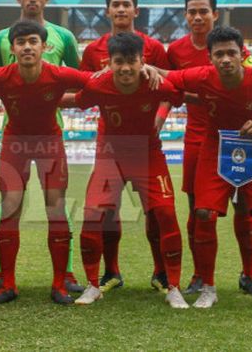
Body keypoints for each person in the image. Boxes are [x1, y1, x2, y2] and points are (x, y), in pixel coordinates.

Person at [153, 26, 252, 311]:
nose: (226, 59)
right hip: (214, 149)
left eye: (231, 53)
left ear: (243, 54)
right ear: (210, 57)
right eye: (219, 54)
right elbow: (169, 77)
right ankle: (208, 287)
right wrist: (140, 65)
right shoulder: (202, 76)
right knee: (203, 213)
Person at [0, 20, 90, 305]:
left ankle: (59, 284)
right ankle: (8, 283)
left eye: (33, 41)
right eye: (21, 42)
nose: (27, 47)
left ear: (45, 46)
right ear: (12, 48)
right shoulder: (2, 75)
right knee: (9, 209)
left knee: (55, 208)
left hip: (49, 143)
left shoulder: (58, 74)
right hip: (15, 143)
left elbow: (94, 83)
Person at [63, 32, 188, 308]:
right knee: (93, 215)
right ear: (109, 62)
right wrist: (31, 96)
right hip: (111, 157)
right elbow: (73, 100)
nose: (126, 68)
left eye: (132, 61)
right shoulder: (100, 84)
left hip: (148, 155)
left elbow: (185, 93)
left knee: (166, 213)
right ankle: (93, 285)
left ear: (142, 61)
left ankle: (174, 286)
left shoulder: (156, 83)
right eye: (119, 61)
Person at [0, 0, 83, 295]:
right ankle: (3, 276)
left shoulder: (64, 37)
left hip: (51, 134)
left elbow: (80, 84)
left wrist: (50, 97)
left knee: (57, 204)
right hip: (15, 134)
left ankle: (64, 276)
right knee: (9, 205)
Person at [166, 0, 252, 296]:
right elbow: (172, 89)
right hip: (198, 137)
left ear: (214, 14)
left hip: (238, 137)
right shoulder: (176, 51)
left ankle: (249, 274)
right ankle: (199, 275)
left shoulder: (233, 48)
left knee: (244, 206)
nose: (197, 17)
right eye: (191, 12)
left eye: (203, 12)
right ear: (185, 15)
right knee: (198, 210)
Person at [80, 0, 170, 292]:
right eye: (115, 4)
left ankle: (161, 272)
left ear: (136, 11)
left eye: (126, 4)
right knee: (106, 210)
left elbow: (169, 89)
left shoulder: (155, 48)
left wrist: (159, 119)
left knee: (156, 210)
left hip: (146, 142)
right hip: (110, 143)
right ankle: (112, 272)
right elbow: (86, 89)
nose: (120, 9)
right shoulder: (93, 51)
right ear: (107, 11)